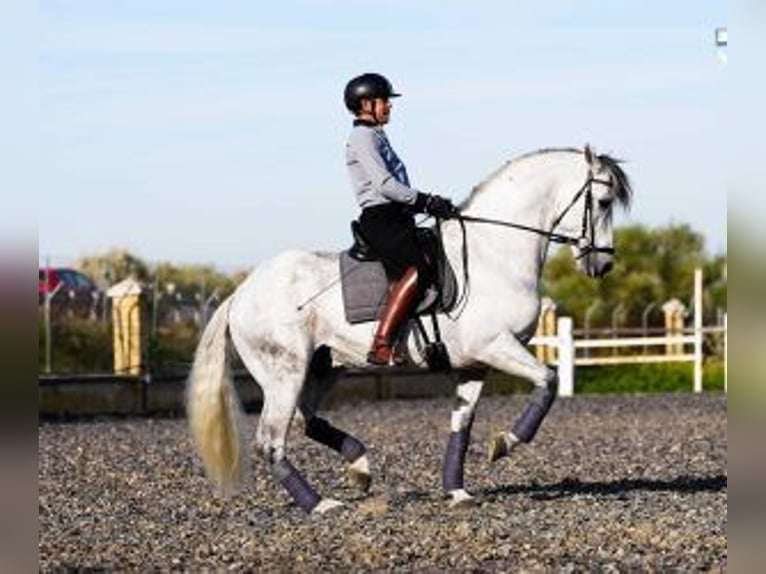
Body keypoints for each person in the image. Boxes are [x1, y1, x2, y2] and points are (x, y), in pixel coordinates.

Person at [344, 72, 458, 366]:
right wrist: (425, 201)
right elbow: (385, 186)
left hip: (396, 215)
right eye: (385, 101)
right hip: (380, 218)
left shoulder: (376, 134)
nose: (390, 106)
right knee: (417, 270)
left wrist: (423, 206)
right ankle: (381, 343)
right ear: (367, 104)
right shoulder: (362, 136)